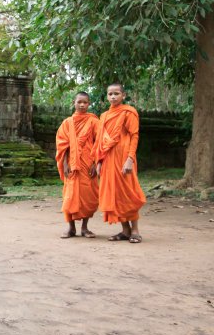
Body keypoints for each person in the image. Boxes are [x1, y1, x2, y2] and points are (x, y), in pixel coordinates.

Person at [95, 83, 146, 243]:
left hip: (124, 158)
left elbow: (134, 136)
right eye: (110, 94)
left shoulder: (128, 112)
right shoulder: (103, 116)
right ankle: (125, 230)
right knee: (115, 194)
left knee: (128, 193)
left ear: (123, 95)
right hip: (109, 159)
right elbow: (100, 141)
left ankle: (135, 230)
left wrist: (130, 159)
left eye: (116, 93)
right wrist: (99, 161)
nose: (113, 96)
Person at [55, 91, 100, 238]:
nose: (82, 105)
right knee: (70, 195)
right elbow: (63, 146)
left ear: (89, 104)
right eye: (79, 102)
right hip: (72, 165)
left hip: (88, 164)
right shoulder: (67, 123)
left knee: (88, 196)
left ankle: (85, 228)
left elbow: (99, 143)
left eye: (85, 102)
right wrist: (65, 164)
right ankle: (71, 228)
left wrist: (95, 162)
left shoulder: (94, 121)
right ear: (73, 103)